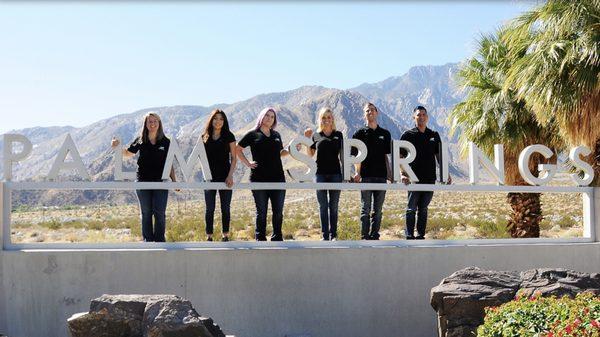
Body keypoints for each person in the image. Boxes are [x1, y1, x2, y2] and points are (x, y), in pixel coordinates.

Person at [111, 112, 176, 242]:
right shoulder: (140, 140)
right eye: (149, 122)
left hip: (161, 182)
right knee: (146, 213)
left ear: (159, 123)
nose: (152, 124)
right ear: (146, 124)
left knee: (160, 214)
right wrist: (117, 147)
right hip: (142, 182)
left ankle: (159, 241)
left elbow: (169, 164)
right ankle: (148, 241)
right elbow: (127, 153)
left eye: (155, 121)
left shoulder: (166, 142)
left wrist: (174, 181)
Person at [236, 107, 291, 241]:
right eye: (267, 115)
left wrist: (290, 150)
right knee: (261, 212)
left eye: (272, 117)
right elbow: (237, 149)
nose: (269, 118)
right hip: (258, 179)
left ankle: (277, 237)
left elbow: (280, 153)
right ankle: (260, 238)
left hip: (278, 178)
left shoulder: (276, 135)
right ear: (261, 116)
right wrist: (247, 163)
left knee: (278, 211)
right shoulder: (253, 134)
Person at [400, 105, 451, 240]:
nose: (421, 117)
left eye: (423, 115)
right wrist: (403, 174)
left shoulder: (433, 135)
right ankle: (409, 235)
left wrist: (446, 173)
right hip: (413, 178)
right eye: (418, 115)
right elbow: (399, 157)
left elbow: (439, 156)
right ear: (414, 117)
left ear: (427, 117)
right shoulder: (407, 135)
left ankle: (420, 235)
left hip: (429, 178)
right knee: (411, 209)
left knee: (423, 209)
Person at [352, 103, 392, 240]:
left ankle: (375, 235)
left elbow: (389, 155)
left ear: (377, 112)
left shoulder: (385, 134)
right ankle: (364, 236)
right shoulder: (359, 133)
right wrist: (357, 172)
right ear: (364, 114)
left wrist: (392, 174)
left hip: (381, 176)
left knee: (378, 210)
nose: (370, 112)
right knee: (365, 209)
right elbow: (354, 155)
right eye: (367, 111)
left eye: (372, 110)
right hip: (366, 177)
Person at [303, 107, 344, 241]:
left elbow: (343, 155)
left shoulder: (339, 134)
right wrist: (307, 140)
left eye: (329, 117)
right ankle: (324, 236)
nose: (327, 120)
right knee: (323, 206)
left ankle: (334, 235)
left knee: (334, 206)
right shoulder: (316, 135)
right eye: (324, 117)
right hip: (319, 174)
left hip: (336, 174)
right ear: (320, 119)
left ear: (332, 119)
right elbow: (310, 155)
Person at [202, 109, 236, 242]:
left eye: (221, 119)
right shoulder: (204, 136)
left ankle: (225, 235)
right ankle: (209, 236)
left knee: (225, 207)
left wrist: (230, 176)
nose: (218, 121)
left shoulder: (229, 136)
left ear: (224, 121)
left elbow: (233, 158)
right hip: (209, 178)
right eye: (215, 118)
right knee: (209, 208)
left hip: (225, 177)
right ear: (211, 120)